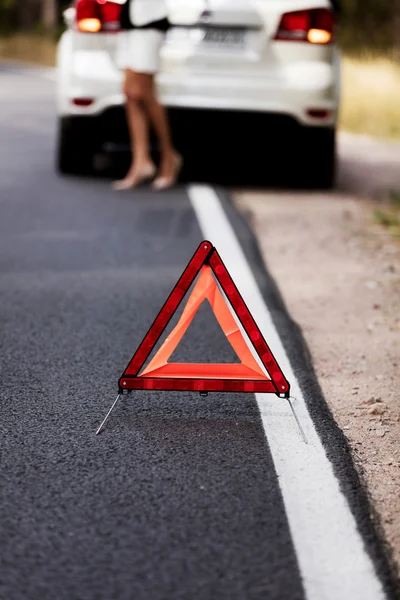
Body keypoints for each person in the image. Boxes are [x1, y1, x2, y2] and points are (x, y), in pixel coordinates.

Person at [113, 0, 182, 191]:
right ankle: (141, 161)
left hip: (149, 21)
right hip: (129, 21)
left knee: (144, 92)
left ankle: (169, 158)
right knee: (130, 94)